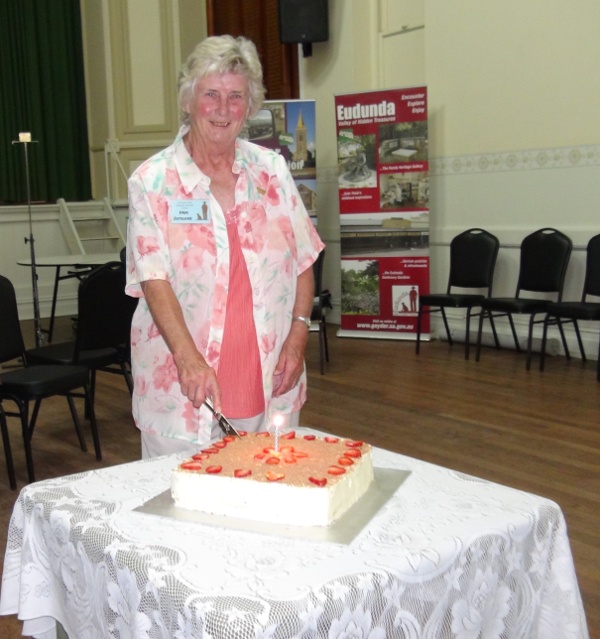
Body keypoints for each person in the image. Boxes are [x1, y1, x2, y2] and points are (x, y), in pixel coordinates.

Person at [125, 35, 325, 459]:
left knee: (268, 496)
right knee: (179, 509)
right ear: (187, 100)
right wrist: (188, 358)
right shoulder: (152, 181)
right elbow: (153, 278)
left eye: (236, 97)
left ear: (249, 106)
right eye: (210, 94)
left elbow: (303, 258)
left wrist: (298, 336)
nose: (222, 109)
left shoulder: (271, 170)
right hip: (182, 387)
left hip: (268, 373)